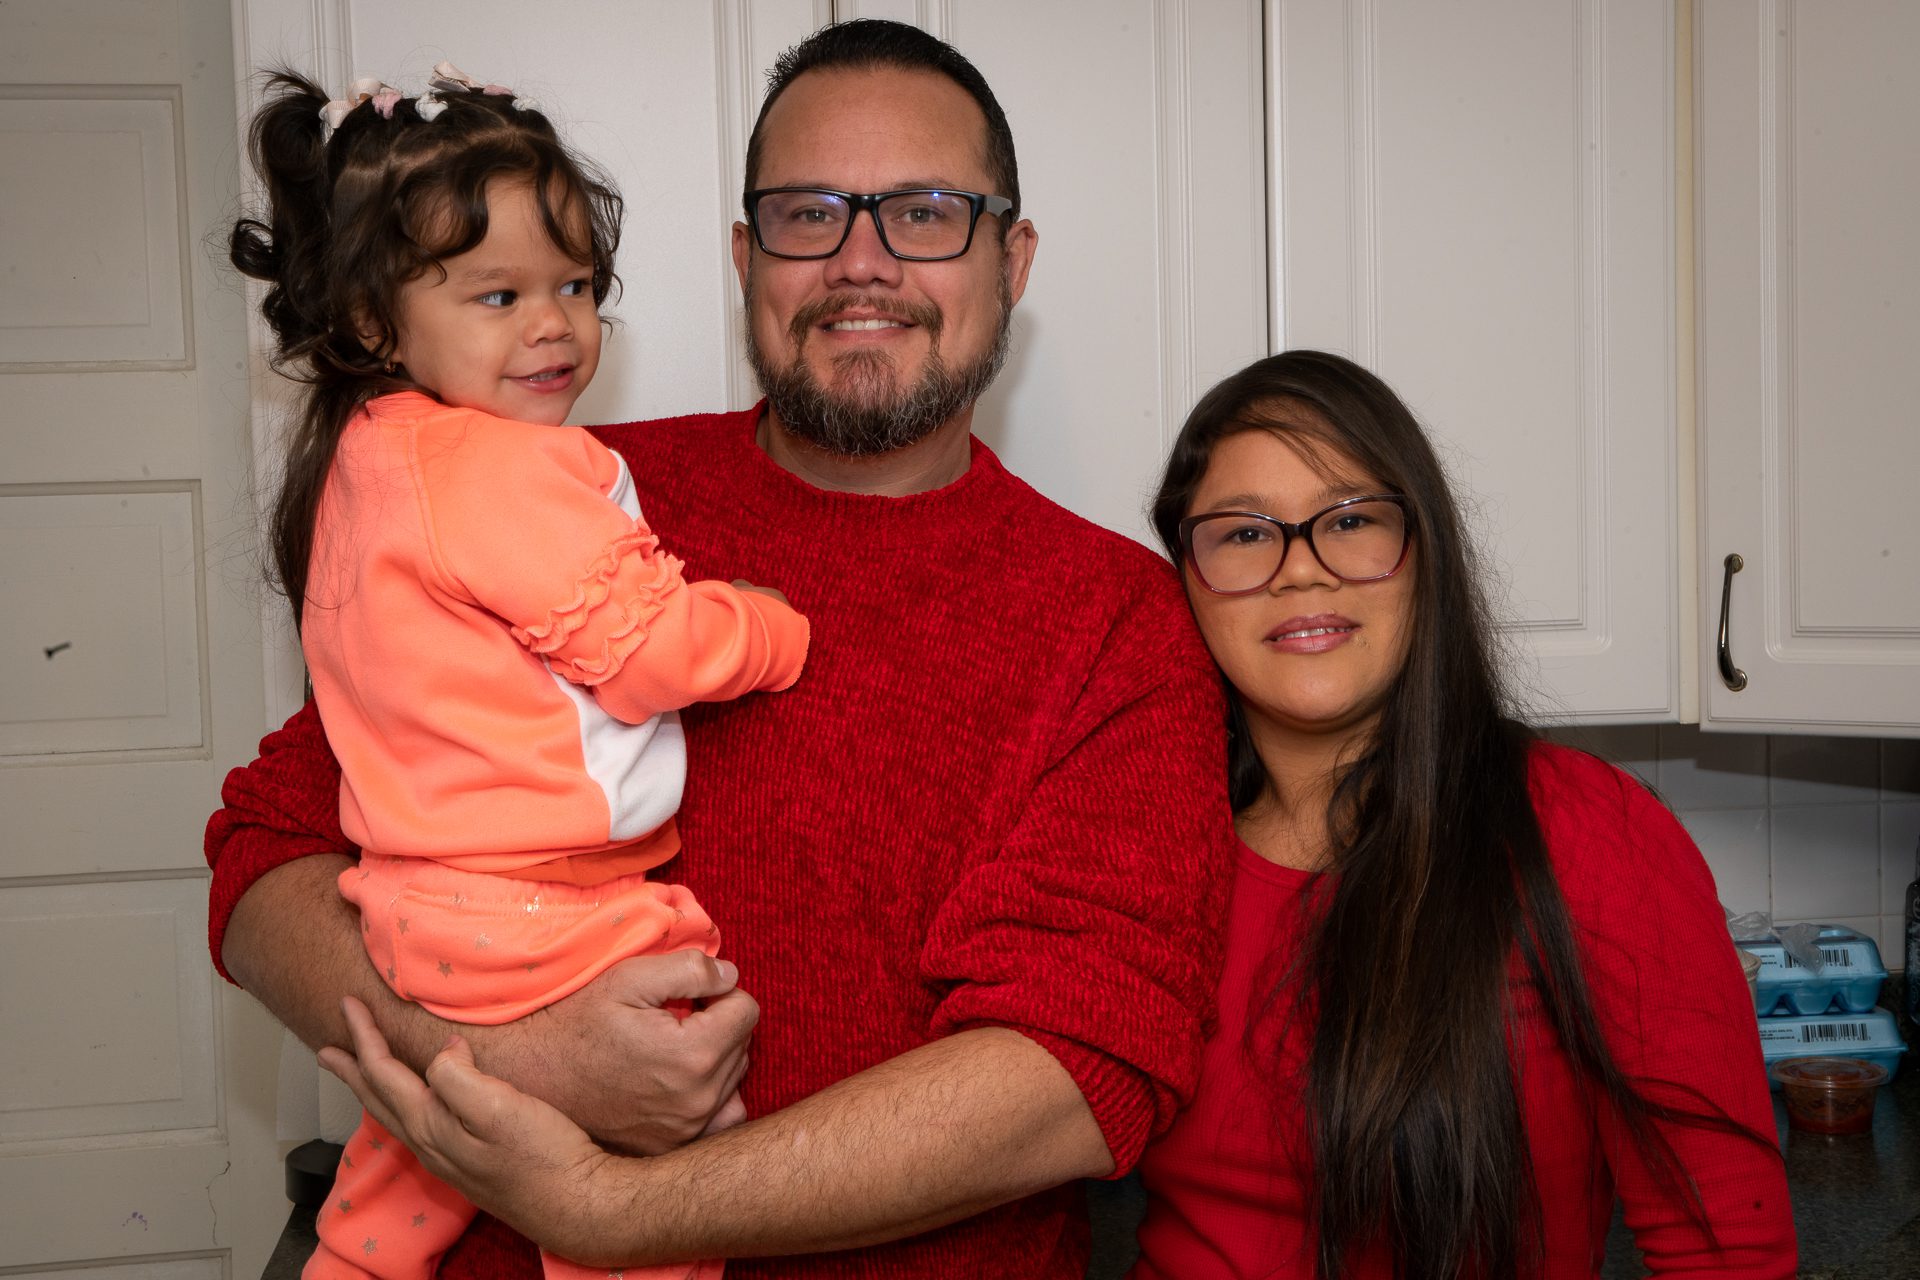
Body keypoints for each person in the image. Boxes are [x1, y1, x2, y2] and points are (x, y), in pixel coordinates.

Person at [205, 19, 1235, 1278]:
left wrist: (615, 1205)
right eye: (809, 215)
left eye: (925, 211)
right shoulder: (552, 495)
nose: (863, 263)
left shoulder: (1117, 618)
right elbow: (266, 860)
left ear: (1012, 259)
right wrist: (512, 1056)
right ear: (747, 258)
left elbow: (1074, 1075)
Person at [228, 65, 811, 1280]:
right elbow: (652, 649)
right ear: (381, 321)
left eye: (576, 286)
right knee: (666, 1151)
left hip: (413, 913)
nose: (554, 325)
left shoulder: (365, 461)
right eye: (498, 294)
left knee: (413, 1160)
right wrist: (767, 625)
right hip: (551, 915)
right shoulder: (504, 470)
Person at [1130, 350, 1796, 1278]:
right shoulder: (1142, 840)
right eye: (1244, 534)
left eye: (1353, 519)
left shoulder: (1582, 829)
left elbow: (1726, 1247)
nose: (1301, 570)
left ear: (1424, 552)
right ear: (1185, 574)